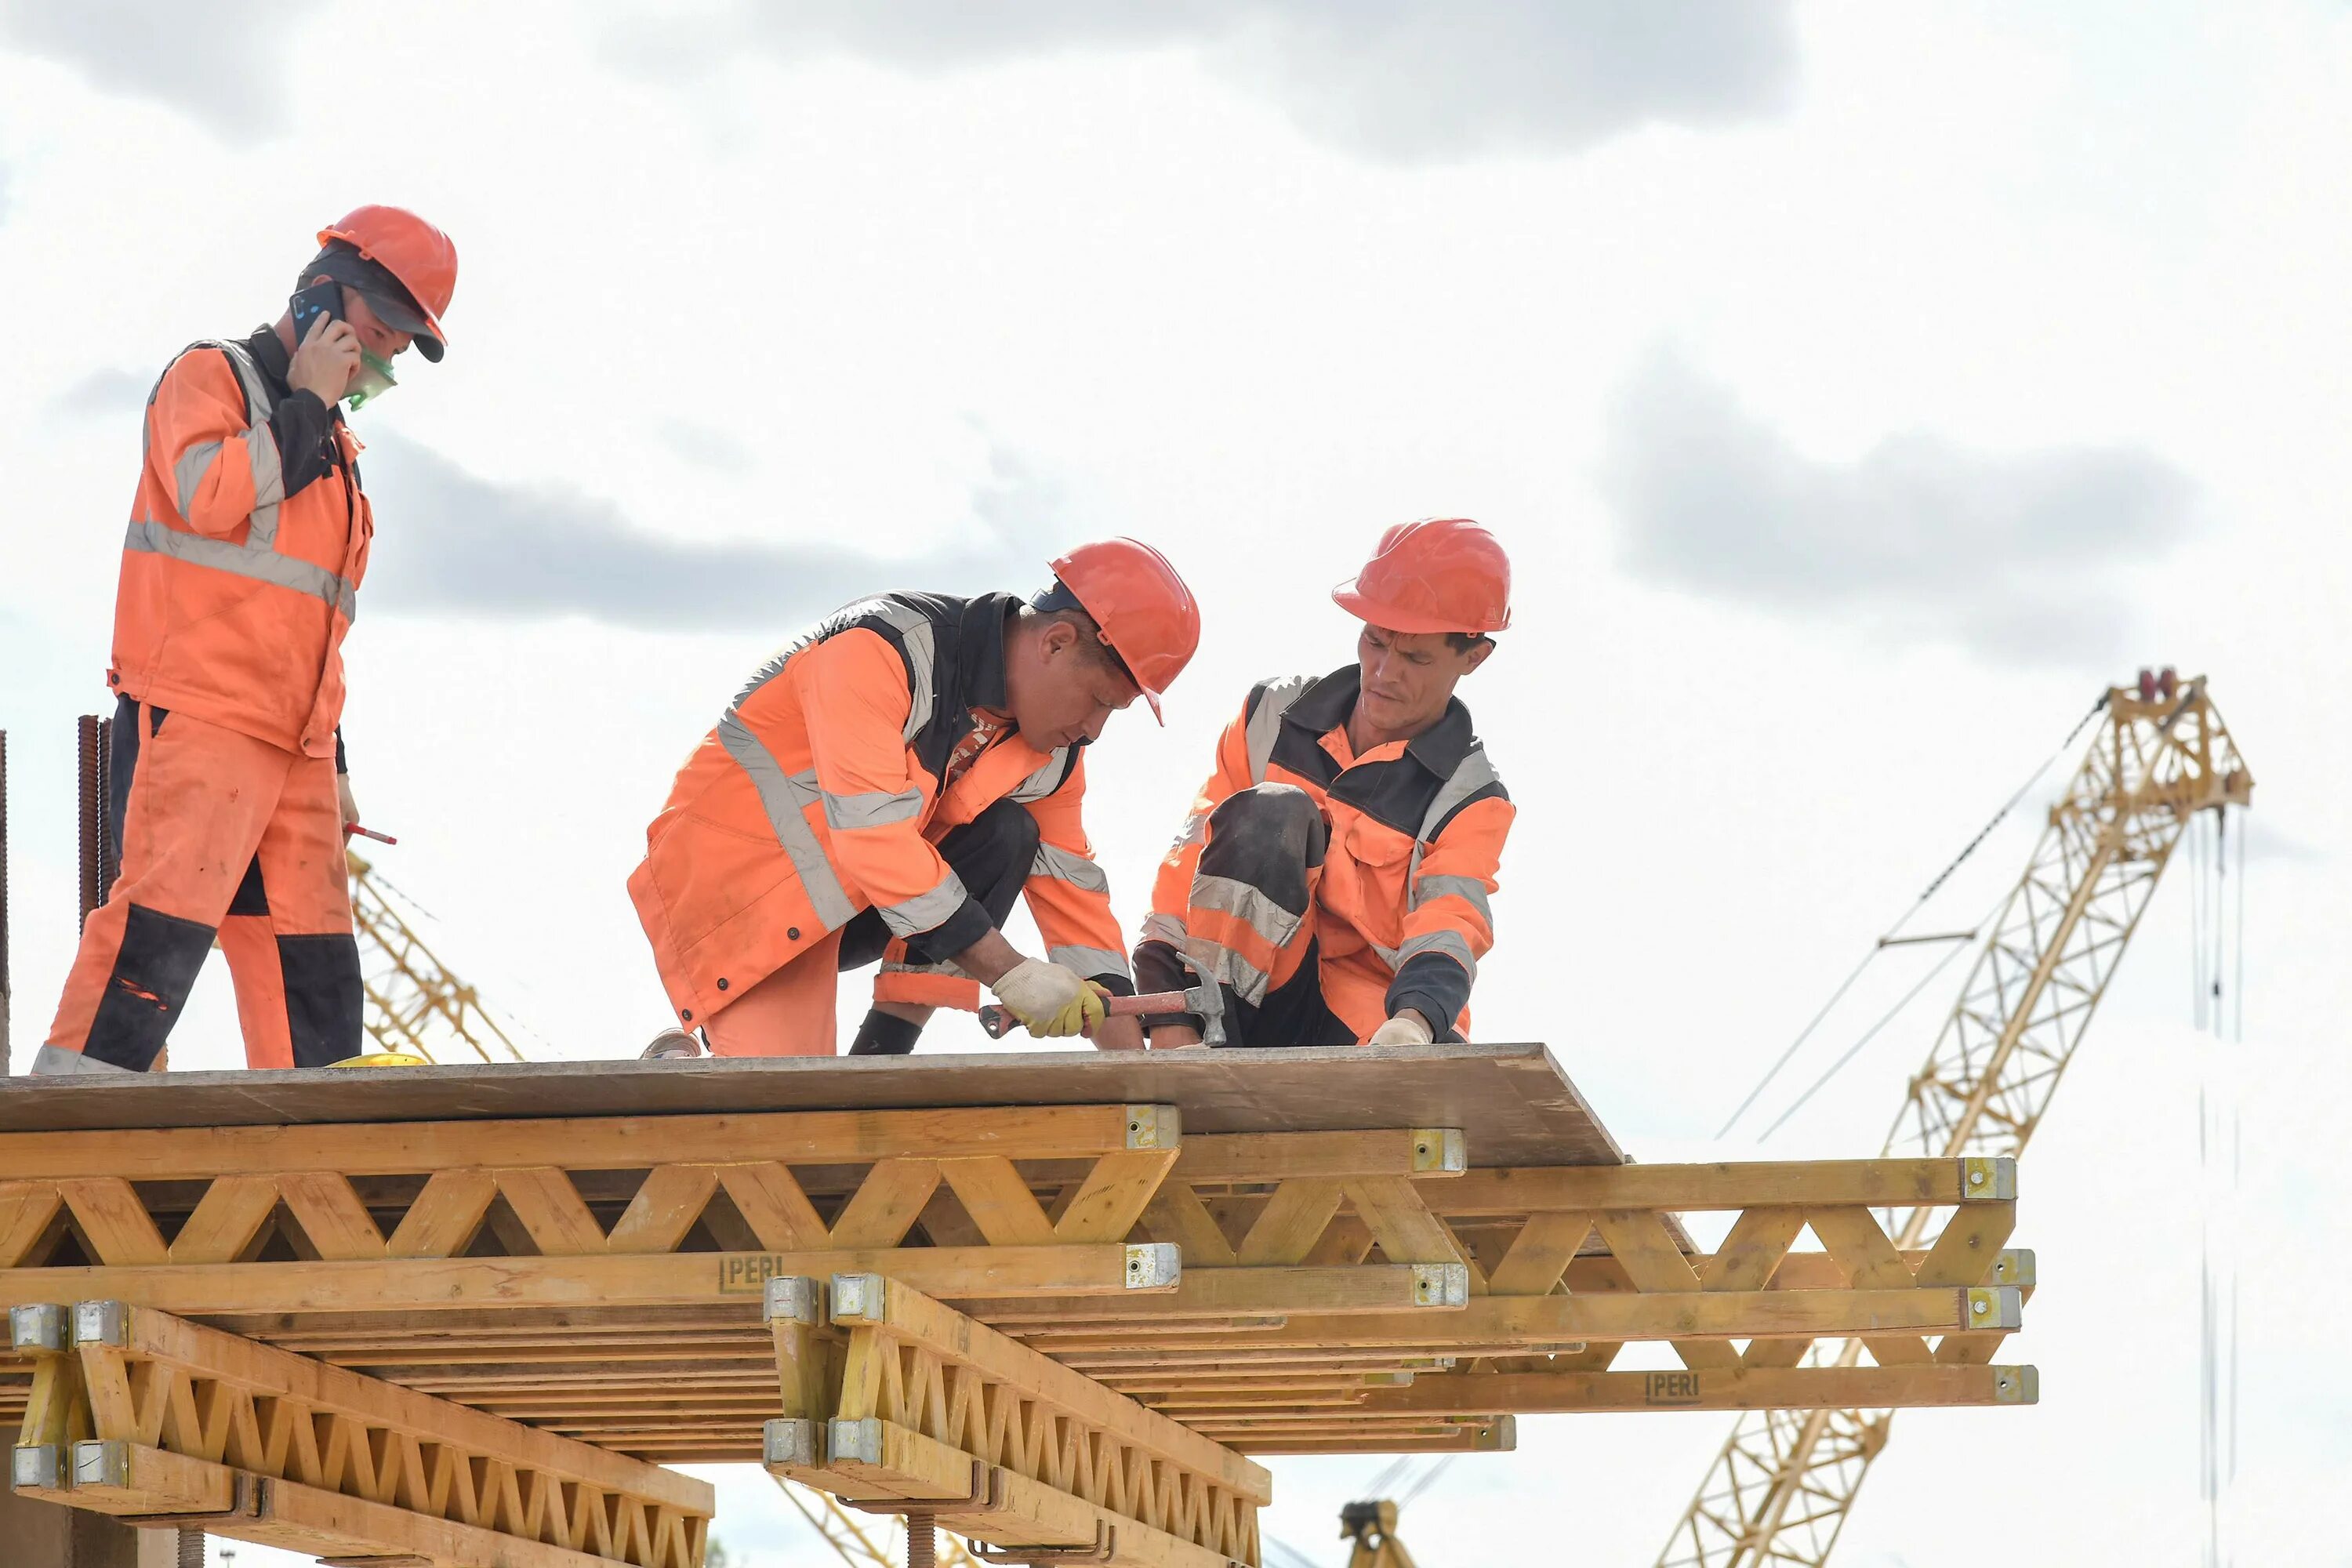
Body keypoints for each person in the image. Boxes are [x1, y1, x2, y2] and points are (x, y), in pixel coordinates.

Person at [34, 206, 459, 1076]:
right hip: (202, 718)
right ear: (321, 298)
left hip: (295, 748)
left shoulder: (334, 445)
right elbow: (209, 496)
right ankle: (64, 1151)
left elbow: (313, 621)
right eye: (378, 334)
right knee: (153, 946)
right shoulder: (212, 377)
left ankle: (322, 1181)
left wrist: (333, 755)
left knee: (316, 981)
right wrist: (305, 400)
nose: (381, 362)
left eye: (398, 349)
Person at [630, 540, 1200, 1057]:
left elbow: (1075, 899)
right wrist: (1010, 972)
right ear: (1056, 641)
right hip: (733, 888)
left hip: (846, 896)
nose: (1095, 730)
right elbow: (874, 840)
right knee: (783, 1114)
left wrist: (1134, 1070)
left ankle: (881, 1060)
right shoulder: (879, 649)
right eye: (1099, 700)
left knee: (1008, 835)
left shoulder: (1049, 753)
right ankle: (683, 1074)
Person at [1134, 518, 1512, 1049]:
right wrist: (1166, 1009)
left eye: (1415, 658)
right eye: (1375, 642)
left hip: (1367, 1028)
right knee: (1270, 812)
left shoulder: (1470, 797)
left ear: (1474, 656)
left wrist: (1414, 1024)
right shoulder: (1269, 717)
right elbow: (1191, 860)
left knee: (1450, 1075)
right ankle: (1217, 1041)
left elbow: (1450, 921)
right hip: (1239, 1005)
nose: (1382, 672)